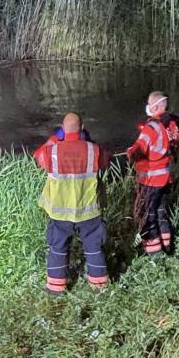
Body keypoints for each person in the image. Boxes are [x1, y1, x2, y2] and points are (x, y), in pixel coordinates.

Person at [33, 112, 111, 294]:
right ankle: (99, 287)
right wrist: (88, 141)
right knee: (93, 246)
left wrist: (54, 139)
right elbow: (107, 159)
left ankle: (55, 288)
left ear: (62, 129)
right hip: (88, 209)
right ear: (82, 128)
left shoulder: (52, 151)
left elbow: (38, 157)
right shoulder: (93, 150)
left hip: (60, 211)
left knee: (58, 247)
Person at [126, 91, 179, 255]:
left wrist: (130, 152)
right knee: (161, 212)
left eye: (149, 104)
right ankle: (168, 246)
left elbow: (138, 150)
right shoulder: (172, 125)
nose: (147, 107)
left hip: (151, 180)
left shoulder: (151, 127)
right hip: (166, 177)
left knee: (146, 215)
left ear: (156, 106)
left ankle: (154, 254)